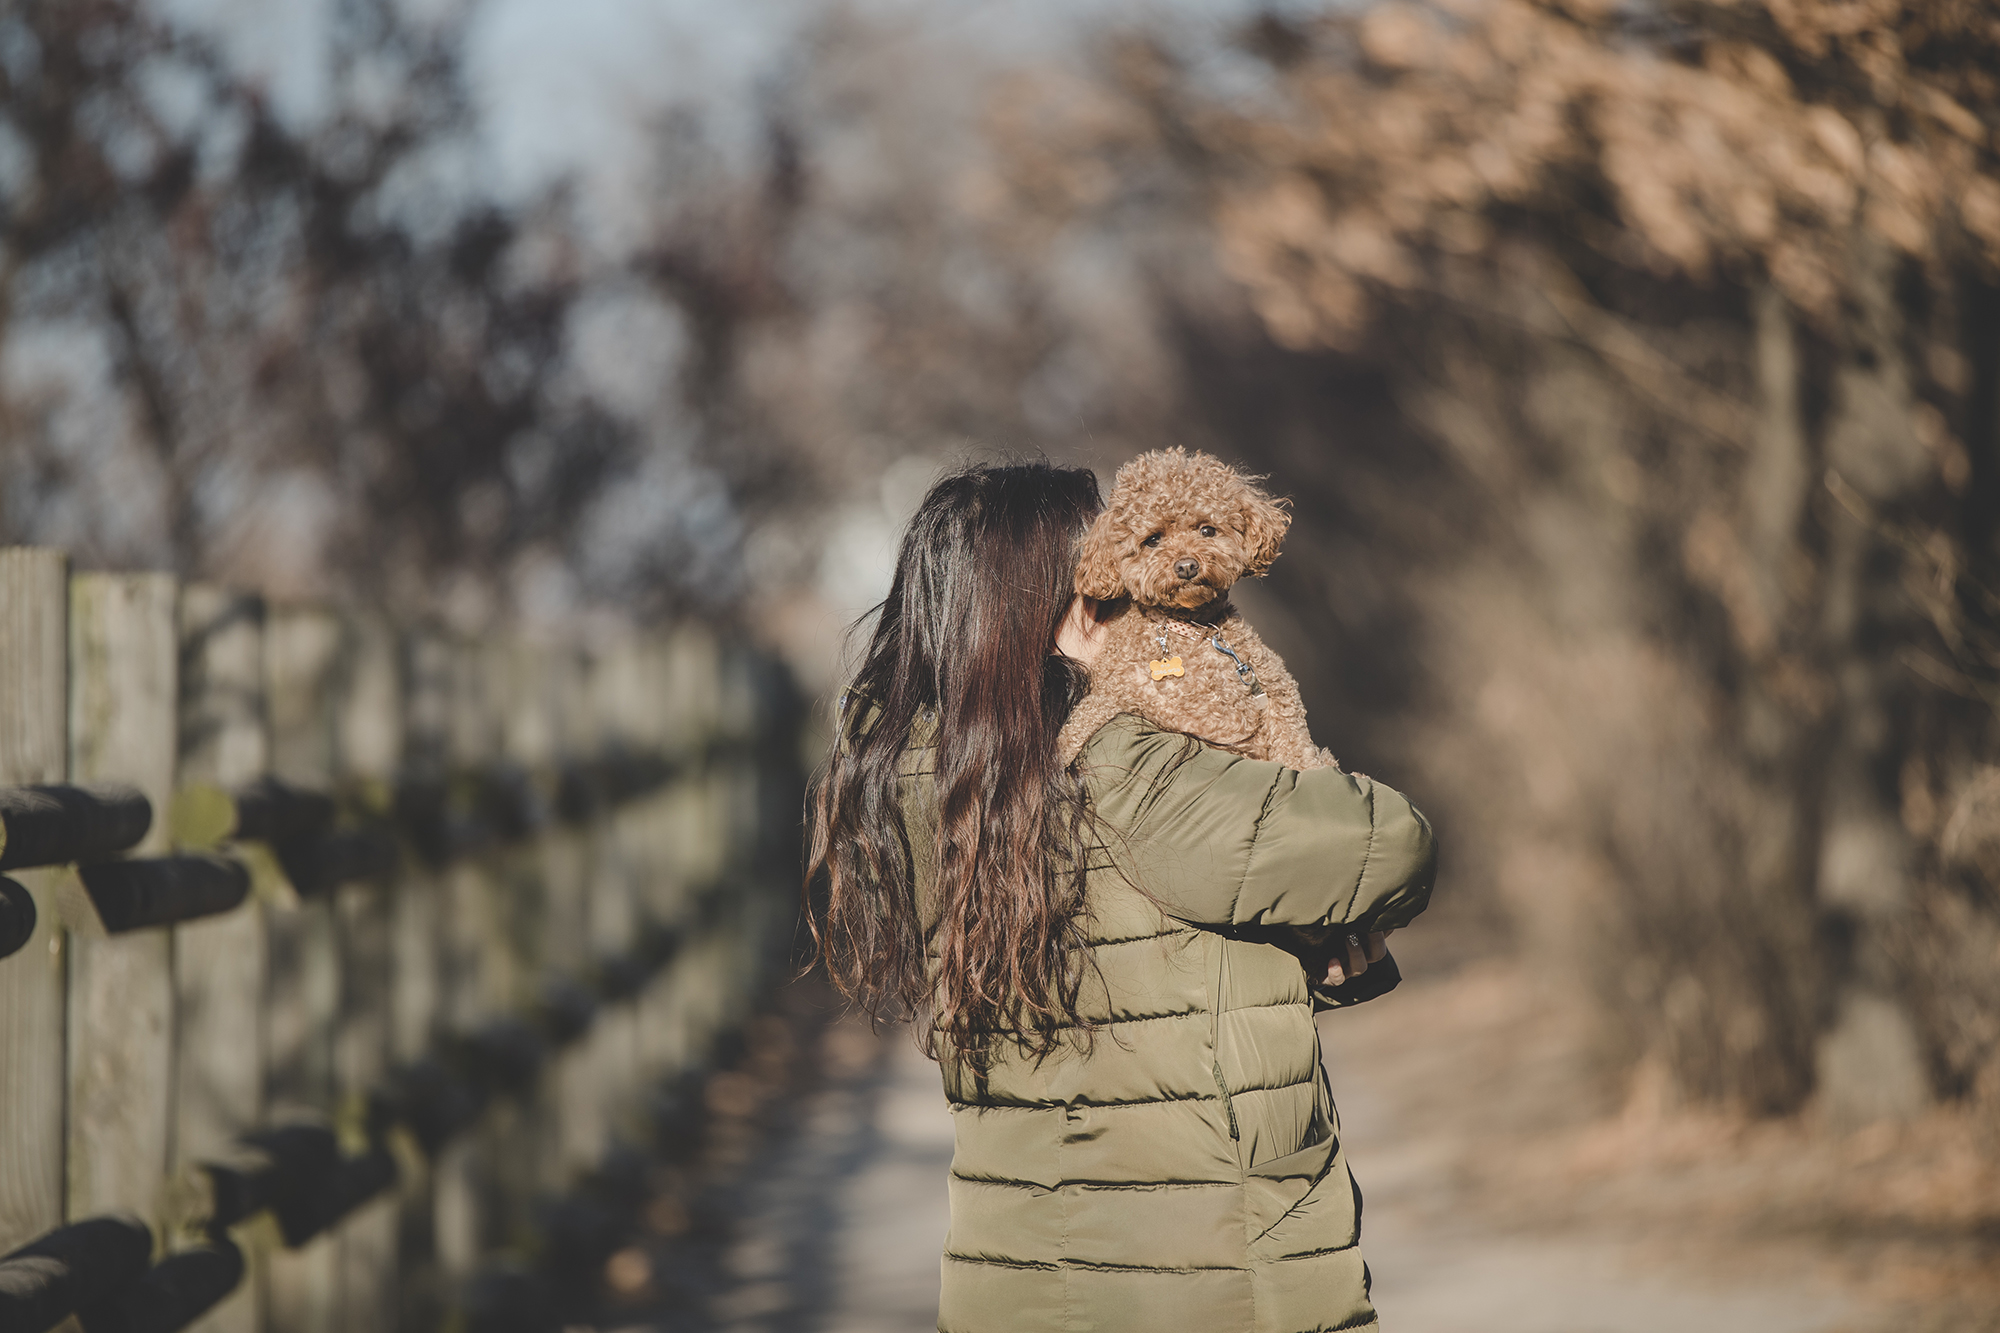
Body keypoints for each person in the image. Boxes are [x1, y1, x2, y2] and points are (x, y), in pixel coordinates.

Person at [807, 462, 1437, 1333]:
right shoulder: (1125, 766)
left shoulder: (919, 782)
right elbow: (1392, 842)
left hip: (1011, 1285)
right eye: (1102, 588)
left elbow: (1136, 962)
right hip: (1202, 1284)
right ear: (1059, 608)